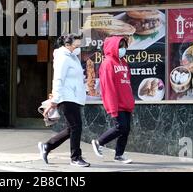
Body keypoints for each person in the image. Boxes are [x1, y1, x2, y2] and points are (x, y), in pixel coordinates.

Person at [38, 33, 90, 167]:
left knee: (71, 128)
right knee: (76, 126)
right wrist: (54, 100)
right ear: (67, 45)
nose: (79, 47)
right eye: (77, 45)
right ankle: (75, 157)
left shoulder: (72, 57)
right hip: (66, 97)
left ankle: (47, 146)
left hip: (74, 96)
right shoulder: (62, 57)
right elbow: (58, 79)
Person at [91, 36, 135, 164]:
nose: (122, 49)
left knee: (126, 130)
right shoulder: (107, 63)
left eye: (124, 47)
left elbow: (127, 84)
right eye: (120, 46)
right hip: (116, 103)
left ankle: (119, 155)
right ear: (113, 47)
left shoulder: (124, 62)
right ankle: (99, 142)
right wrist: (112, 107)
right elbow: (107, 87)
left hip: (126, 103)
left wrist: (130, 102)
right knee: (120, 127)